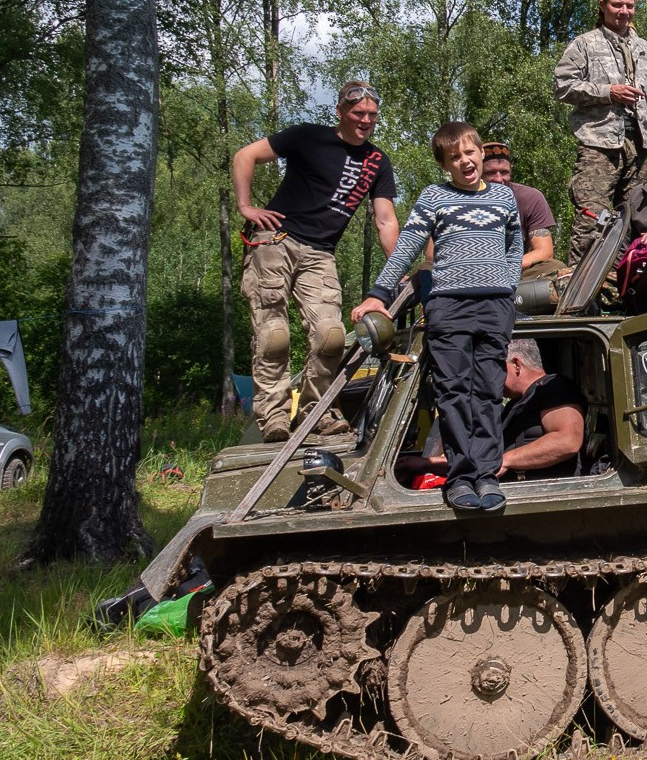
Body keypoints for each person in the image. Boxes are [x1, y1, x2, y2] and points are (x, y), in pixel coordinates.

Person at [351, 121, 522, 513]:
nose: (465, 162)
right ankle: (460, 477)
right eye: (454, 157)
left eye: (469, 153)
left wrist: (508, 285)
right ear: (445, 165)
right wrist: (379, 293)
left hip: (495, 307)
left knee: (488, 391)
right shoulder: (434, 197)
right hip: (449, 305)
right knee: (454, 390)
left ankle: (486, 474)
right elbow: (408, 245)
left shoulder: (503, 199)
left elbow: (516, 246)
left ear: (482, 153)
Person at [231, 80, 400, 442]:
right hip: (275, 240)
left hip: (320, 253)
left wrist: (398, 269)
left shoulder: (377, 161)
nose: (365, 120)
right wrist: (245, 206)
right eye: (358, 113)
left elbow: (385, 219)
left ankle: (316, 411)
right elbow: (245, 155)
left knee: (331, 335)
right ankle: (273, 416)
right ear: (339, 111)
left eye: (371, 115)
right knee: (273, 335)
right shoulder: (307, 136)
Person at [552, 0, 647, 268]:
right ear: (603, 7)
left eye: (629, 5)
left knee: (637, 217)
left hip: (639, 147)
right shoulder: (585, 44)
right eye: (617, 4)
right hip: (598, 145)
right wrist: (606, 92)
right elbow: (562, 84)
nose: (624, 11)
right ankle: (581, 292)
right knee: (593, 217)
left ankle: (630, 283)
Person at [498, 338, 586, 480]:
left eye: (497, 369)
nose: (492, 378)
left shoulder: (555, 388)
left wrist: (506, 460)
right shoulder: (514, 404)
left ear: (516, 364)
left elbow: (567, 441)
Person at [480, 142, 566, 281]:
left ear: (511, 171)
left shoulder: (530, 198)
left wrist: (500, 267)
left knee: (557, 268)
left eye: (504, 172)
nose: (499, 179)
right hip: (470, 271)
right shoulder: (459, 201)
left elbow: (544, 252)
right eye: (490, 173)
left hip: (513, 270)